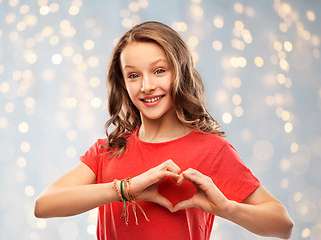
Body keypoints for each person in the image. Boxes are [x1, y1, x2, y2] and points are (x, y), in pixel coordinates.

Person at [34, 21, 293, 239]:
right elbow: (44, 205)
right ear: (123, 84)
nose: (146, 85)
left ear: (179, 73)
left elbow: (282, 225)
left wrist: (226, 208)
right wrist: (128, 188)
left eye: (159, 71)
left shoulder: (212, 150)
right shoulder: (109, 150)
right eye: (133, 76)